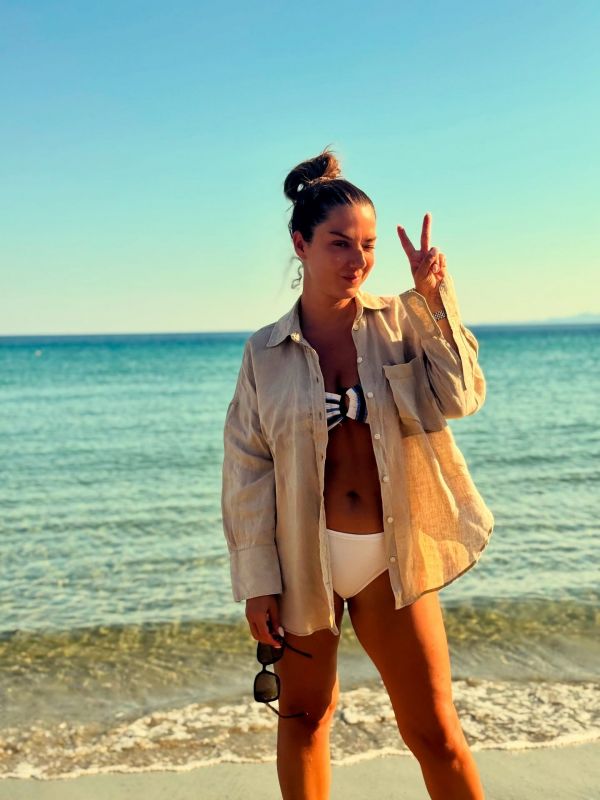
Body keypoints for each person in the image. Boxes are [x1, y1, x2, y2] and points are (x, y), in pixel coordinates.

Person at [221, 145, 494, 800]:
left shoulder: (403, 321)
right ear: (301, 245)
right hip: (301, 563)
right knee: (304, 718)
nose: (357, 259)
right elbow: (247, 470)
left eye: (367, 245)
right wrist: (257, 582)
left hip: (392, 557)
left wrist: (435, 297)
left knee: (435, 731)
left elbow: (462, 396)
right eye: (339, 244)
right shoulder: (264, 352)